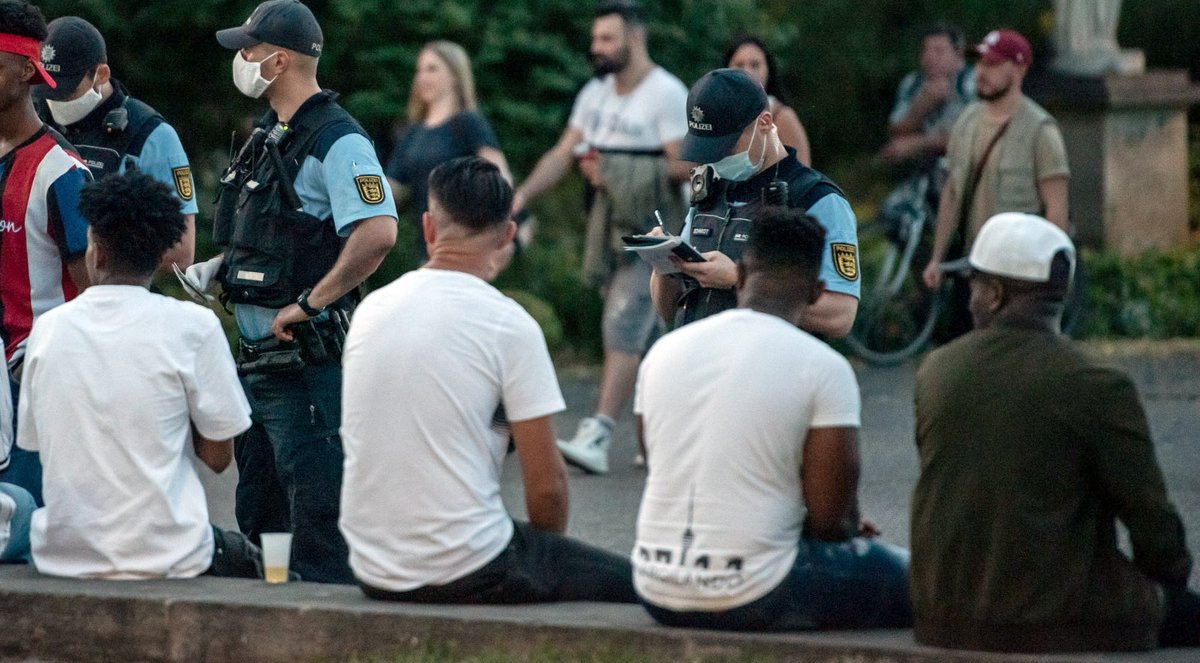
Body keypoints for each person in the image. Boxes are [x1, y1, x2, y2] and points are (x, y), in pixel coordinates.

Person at [341, 157, 637, 604]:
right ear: (508, 235)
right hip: (465, 570)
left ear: (428, 228)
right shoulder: (509, 326)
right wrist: (544, 555)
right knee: (642, 584)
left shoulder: (371, 310)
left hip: (371, 566)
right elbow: (547, 488)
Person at [912, 212, 1200, 652]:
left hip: (939, 617)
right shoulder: (1098, 383)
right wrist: (1167, 583)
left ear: (995, 295)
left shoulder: (936, 370)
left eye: (973, 285)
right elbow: (1152, 523)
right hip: (1058, 621)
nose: (968, 298)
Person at [194, 0, 398, 584]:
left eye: (249, 49)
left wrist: (312, 301)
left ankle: (325, 630)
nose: (241, 58)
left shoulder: (338, 139)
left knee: (315, 516)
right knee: (262, 516)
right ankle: (271, 627)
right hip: (260, 361)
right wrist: (221, 266)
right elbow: (279, 234)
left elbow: (379, 231)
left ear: (278, 59)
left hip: (306, 361)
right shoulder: (272, 135)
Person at [633, 208, 910, 631]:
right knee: (923, 577)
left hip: (655, 586)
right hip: (754, 591)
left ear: (741, 274)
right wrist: (845, 525)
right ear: (818, 291)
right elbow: (832, 523)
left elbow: (662, 463)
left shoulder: (665, 352)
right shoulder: (824, 369)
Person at [16, 172, 260, 580]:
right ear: (158, 256)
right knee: (262, 566)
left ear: (98, 253)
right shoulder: (193, 327)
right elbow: (218, 458)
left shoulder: (48, 330)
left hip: (64, 554)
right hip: (168, 553)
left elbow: (36, 441)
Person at [512, 1, 689, 475]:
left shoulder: (666, 93)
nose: (597, 49)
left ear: (635, 37)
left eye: (607, 39)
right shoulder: (594, 93)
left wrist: (616, 172)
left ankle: (599, 430)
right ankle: (666, 436)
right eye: (595, 40)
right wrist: (521, 195)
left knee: (623, 323)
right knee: (650, 336)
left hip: (651, 226)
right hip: (605, 228)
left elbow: (684, 167)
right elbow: (562, 153)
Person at [650, 68, 859, 334]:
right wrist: (665, 263)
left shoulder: (817, 199)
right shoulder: (708, 190)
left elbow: (840, 316)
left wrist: (739, 279)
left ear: (764, 123)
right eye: (708, 150)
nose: (717, 160)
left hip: (769, 367)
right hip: (700, 362)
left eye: (727, 147)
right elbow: (665, 310)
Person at [0, 0, 91, 505]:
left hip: (35, 382)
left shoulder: (63, 173)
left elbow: (97, 296)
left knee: (23, 534)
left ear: (26, 71)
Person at [921, 29, 1069, 337]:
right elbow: (952, 192)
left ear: (1019, 69)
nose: (981, 72)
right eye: (979, 63)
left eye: (993, 64)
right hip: (972, 269)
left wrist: (1051, 280)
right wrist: (936, 258)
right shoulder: (967, 121)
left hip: (1019, 279)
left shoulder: (1040, 130)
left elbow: (1057, 211)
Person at [35, 16, 197, 271]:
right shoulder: (35, 117)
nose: (55, 101)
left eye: (68, 91)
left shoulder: (150, 134)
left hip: (110, 295)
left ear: (101, 74)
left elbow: (182, 251)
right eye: (48, 90)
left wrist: (88, 248)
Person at [385, 40, 512, 259]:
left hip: (466, 245)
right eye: (420, 70)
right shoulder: (413, 132)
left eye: (432, 69)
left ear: (455, 75)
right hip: (427, 244)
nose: (422, 77)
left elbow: (500, 179)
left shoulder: (468, 123)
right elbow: (391, 188)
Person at [879, 23, 974, 171]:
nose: (930, 58)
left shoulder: (972, 82)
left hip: (964, 172)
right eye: (925, 50)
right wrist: (921, 106)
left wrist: (918, 143)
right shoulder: (913, 83)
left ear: (958, 55)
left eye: (939, 51)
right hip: (923, 177)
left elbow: (974, 138)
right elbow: (895, 133)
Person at [724, 35, 811, 166]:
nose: (747, 72)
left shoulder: (782, 118)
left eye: (755, 65)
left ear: (768, 70)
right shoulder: (718, 119)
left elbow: (804, 177)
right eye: (739, 65)